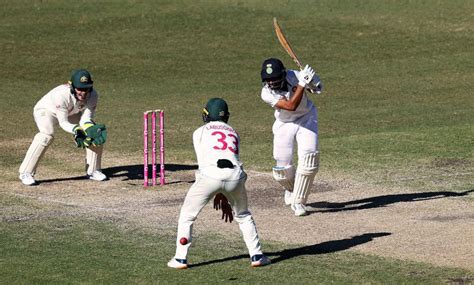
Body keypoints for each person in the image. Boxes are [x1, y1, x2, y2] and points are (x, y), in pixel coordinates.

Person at [167, 98, 270, 269]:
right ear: (226, 116)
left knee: (187, 216)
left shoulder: (199, 132)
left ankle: (180, 258)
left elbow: (204, 163)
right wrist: (223, 190)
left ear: (206, 115)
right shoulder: (234, 132)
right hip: (235, 176)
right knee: (243, 215)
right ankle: (257, 255)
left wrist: (215, 189)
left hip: (209, 176)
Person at [18, 69, 108, 186]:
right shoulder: (61, 95)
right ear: (72, 86)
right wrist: (76, 130)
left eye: (86, 89)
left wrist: (87, 128)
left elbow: (86, 119)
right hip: (47, 111)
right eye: (80, 89)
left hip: (71, 112)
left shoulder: (93, 95)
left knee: (93, 132)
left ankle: (93, 170)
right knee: (46, 135)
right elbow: (63, 122)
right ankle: (25, 172)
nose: (83, 92)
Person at [260, 58, 323, 216]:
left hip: (306, 118)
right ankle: (290, 189)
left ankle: (299, 201)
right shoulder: (266, 93)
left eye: (275, 78)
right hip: (284, 122)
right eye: (268, 80)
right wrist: (302, 83)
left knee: (309, 158)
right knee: (282, 169)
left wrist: (312, 81)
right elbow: (290, 106)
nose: (272, 83)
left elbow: (317, 90)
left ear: (283, 74)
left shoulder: (295, 75)